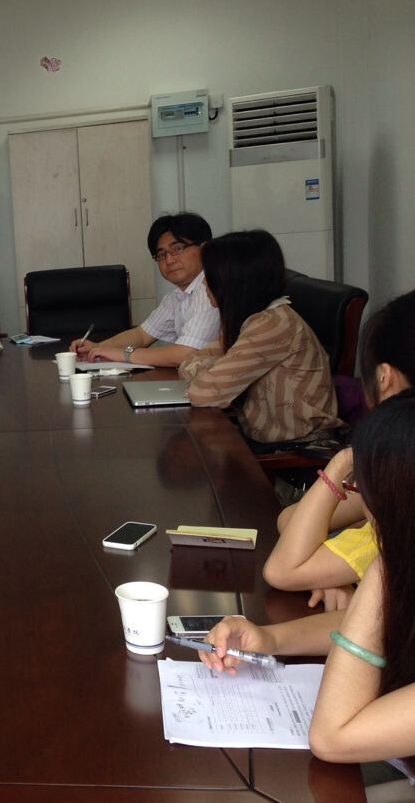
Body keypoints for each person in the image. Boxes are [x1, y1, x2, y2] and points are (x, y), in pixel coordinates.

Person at [199, 390, 415, 767]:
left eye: (363, 490)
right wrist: (270, 639)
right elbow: (384, 625)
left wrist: (382, 570)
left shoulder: (389, 564)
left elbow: (332, 737)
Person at [262, 291, 415, 610]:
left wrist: (343, 462)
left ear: (383, 378)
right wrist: (333, 571)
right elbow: (290, 520)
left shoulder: (398, 472)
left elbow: (282, 570)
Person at [178, 230, 341, 445]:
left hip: (297, 449)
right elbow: (190, 362)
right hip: (264, 440)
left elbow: (203, 392)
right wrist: (210, 371)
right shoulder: (248, 319)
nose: (203, 284)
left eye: (209, 275)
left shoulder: (272, 324)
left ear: (232, 279)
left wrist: (209, 371)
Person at [71, 212, 219, 367]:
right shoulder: (176, 297)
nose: (169, 260)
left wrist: (124, 354)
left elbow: (185, 354)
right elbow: (141, 335)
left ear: (204, 248)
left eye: (178, 248)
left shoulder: (211, 292)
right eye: (161, 254)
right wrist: (97, 347)